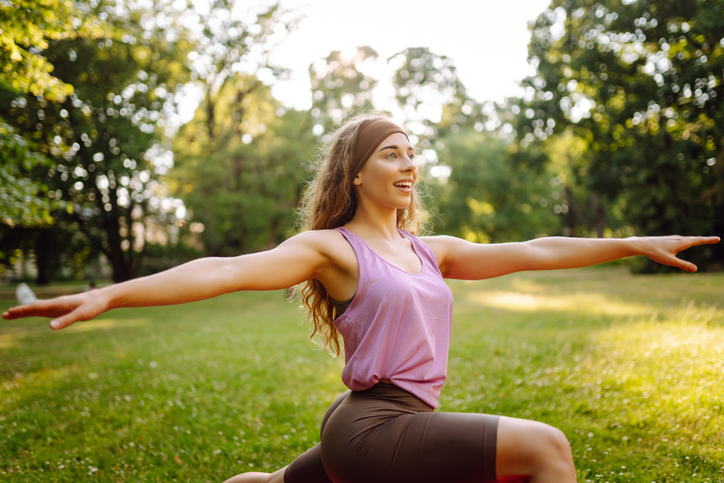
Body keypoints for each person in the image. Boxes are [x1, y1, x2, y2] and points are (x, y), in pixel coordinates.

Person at [2, 114, 719, 483]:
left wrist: (631, 242)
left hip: (373, 428)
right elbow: (221, 269)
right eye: (392, 153)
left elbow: (535, 249)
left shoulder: (427, 250)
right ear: (356, 173)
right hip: (372, 428)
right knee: (546, 447)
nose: (409, 164)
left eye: (412, 152)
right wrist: (110, 294)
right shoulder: (333, 249)